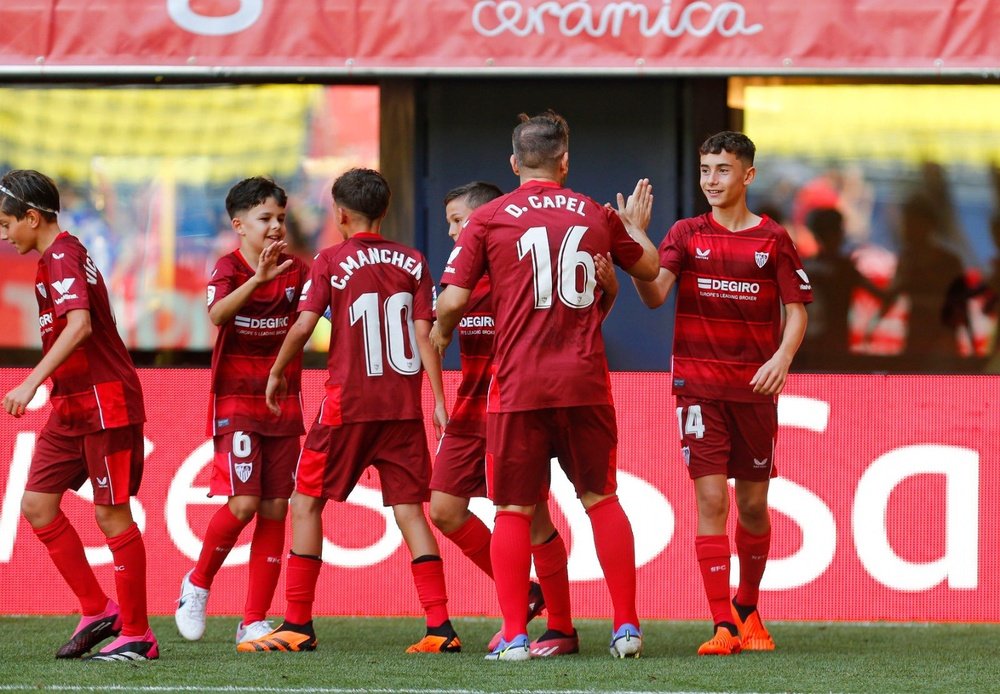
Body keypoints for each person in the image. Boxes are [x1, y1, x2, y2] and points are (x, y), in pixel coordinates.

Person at [431, 110, 659, 661]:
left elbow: (455, 300)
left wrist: (441, 317)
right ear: (565, 161)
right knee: (602, 500)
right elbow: (649, 269)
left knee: (511, 510)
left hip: (519, 387)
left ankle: (513, 634)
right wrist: (634, 231)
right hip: (584, 382)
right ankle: (625, 627)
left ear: (514, 162)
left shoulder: (489, 218)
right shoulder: (594, 213)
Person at [238, 168, 459, 654]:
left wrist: (277, 370)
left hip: (347, 406)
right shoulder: (414, 261)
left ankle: (297, 623)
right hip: (402, 408)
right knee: (410, 512)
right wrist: (440, 401)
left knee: (306, 503)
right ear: (384, 210)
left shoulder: (331, 260)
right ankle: (440, 627)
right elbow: (427, 336)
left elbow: (302, 327)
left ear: (339, 213)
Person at [632, 131, 811, 656]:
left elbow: (797, 310)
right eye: (706, 169)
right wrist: (638, 240)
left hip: (754, 389)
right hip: (698, 388)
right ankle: (722, 626)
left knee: (753, 505)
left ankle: (748, 605)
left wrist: (780, 359)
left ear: (747, 176)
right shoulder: (686, 233)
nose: (712, 180)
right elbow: (655, 293)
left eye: (723, 170)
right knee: (711, 498)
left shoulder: (773, 239)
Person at [1, 169, 157, 661]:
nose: (4, 234)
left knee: (111, 515)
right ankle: (97, 609)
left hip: (103, 402)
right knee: (37, 505)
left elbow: (80, 327)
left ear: (32, 216)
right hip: (73, 405)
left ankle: (138, 634)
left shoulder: (64, 254)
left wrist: (30, 382)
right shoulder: (54, 258)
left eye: (7, 223)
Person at [174, 177, 309, 648]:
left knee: (275, 507)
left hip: (283, 398)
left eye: (279, 218)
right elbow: (217, 316)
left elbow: (321, 317)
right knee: (245, 502)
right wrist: (258, 280)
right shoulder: (228, 268)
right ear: (239, 226)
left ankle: (253, 620)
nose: (275, 227)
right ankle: (198, 582)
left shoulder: (299, 269)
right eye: (264, 219)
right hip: (236, 397)